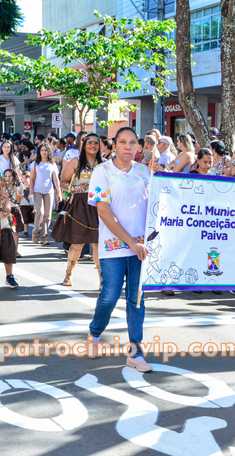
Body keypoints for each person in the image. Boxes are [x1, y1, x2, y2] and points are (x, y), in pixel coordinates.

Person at [87, 127, 152, 373]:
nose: (128, 146)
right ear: (113, 145)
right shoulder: (101, 172)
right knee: (110, 296)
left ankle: (135, 353)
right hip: (113, 247)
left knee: (137, 300)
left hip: (140, 249)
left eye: (133, 142)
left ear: (139, 147)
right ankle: (94, 333)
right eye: (122, 142)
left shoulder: (145, 172)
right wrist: (130, 241)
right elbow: (103, 211)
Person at [53, 133, 102, 287]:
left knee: (97, 243)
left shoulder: (104, 163)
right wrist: (75, 188)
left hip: (98, 205)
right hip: (79, 204)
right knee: (77, 243)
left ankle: (102, 278)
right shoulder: (75, 161)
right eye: (90, 142)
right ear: (84, 144)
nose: (93, 145)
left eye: (96, 142)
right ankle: (68, 274)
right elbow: (63, 182)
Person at [30, 142, 60, 245]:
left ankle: (45, 236)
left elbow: (56, 180)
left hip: (49, 191)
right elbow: (32, 179)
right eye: (42, 150)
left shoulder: (52, 164)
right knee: (40, 212)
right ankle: (35, 233)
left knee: (47, 215)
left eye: (46, 150)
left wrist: (59, 193)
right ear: (39, 152)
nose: (44, 152)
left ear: (49, 152)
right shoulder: (35, 163)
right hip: (37, 191)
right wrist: (31, 192)